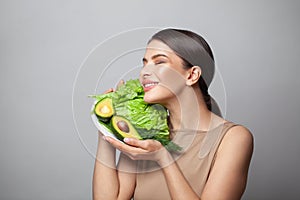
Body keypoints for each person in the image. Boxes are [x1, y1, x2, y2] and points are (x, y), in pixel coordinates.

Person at [92, 28, 254, 200]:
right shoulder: (144, 131)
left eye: (159, 62)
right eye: (144, 63)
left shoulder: (233, 138)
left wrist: (163, 157)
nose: (144, 72)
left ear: (192, 75)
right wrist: (106, 127)